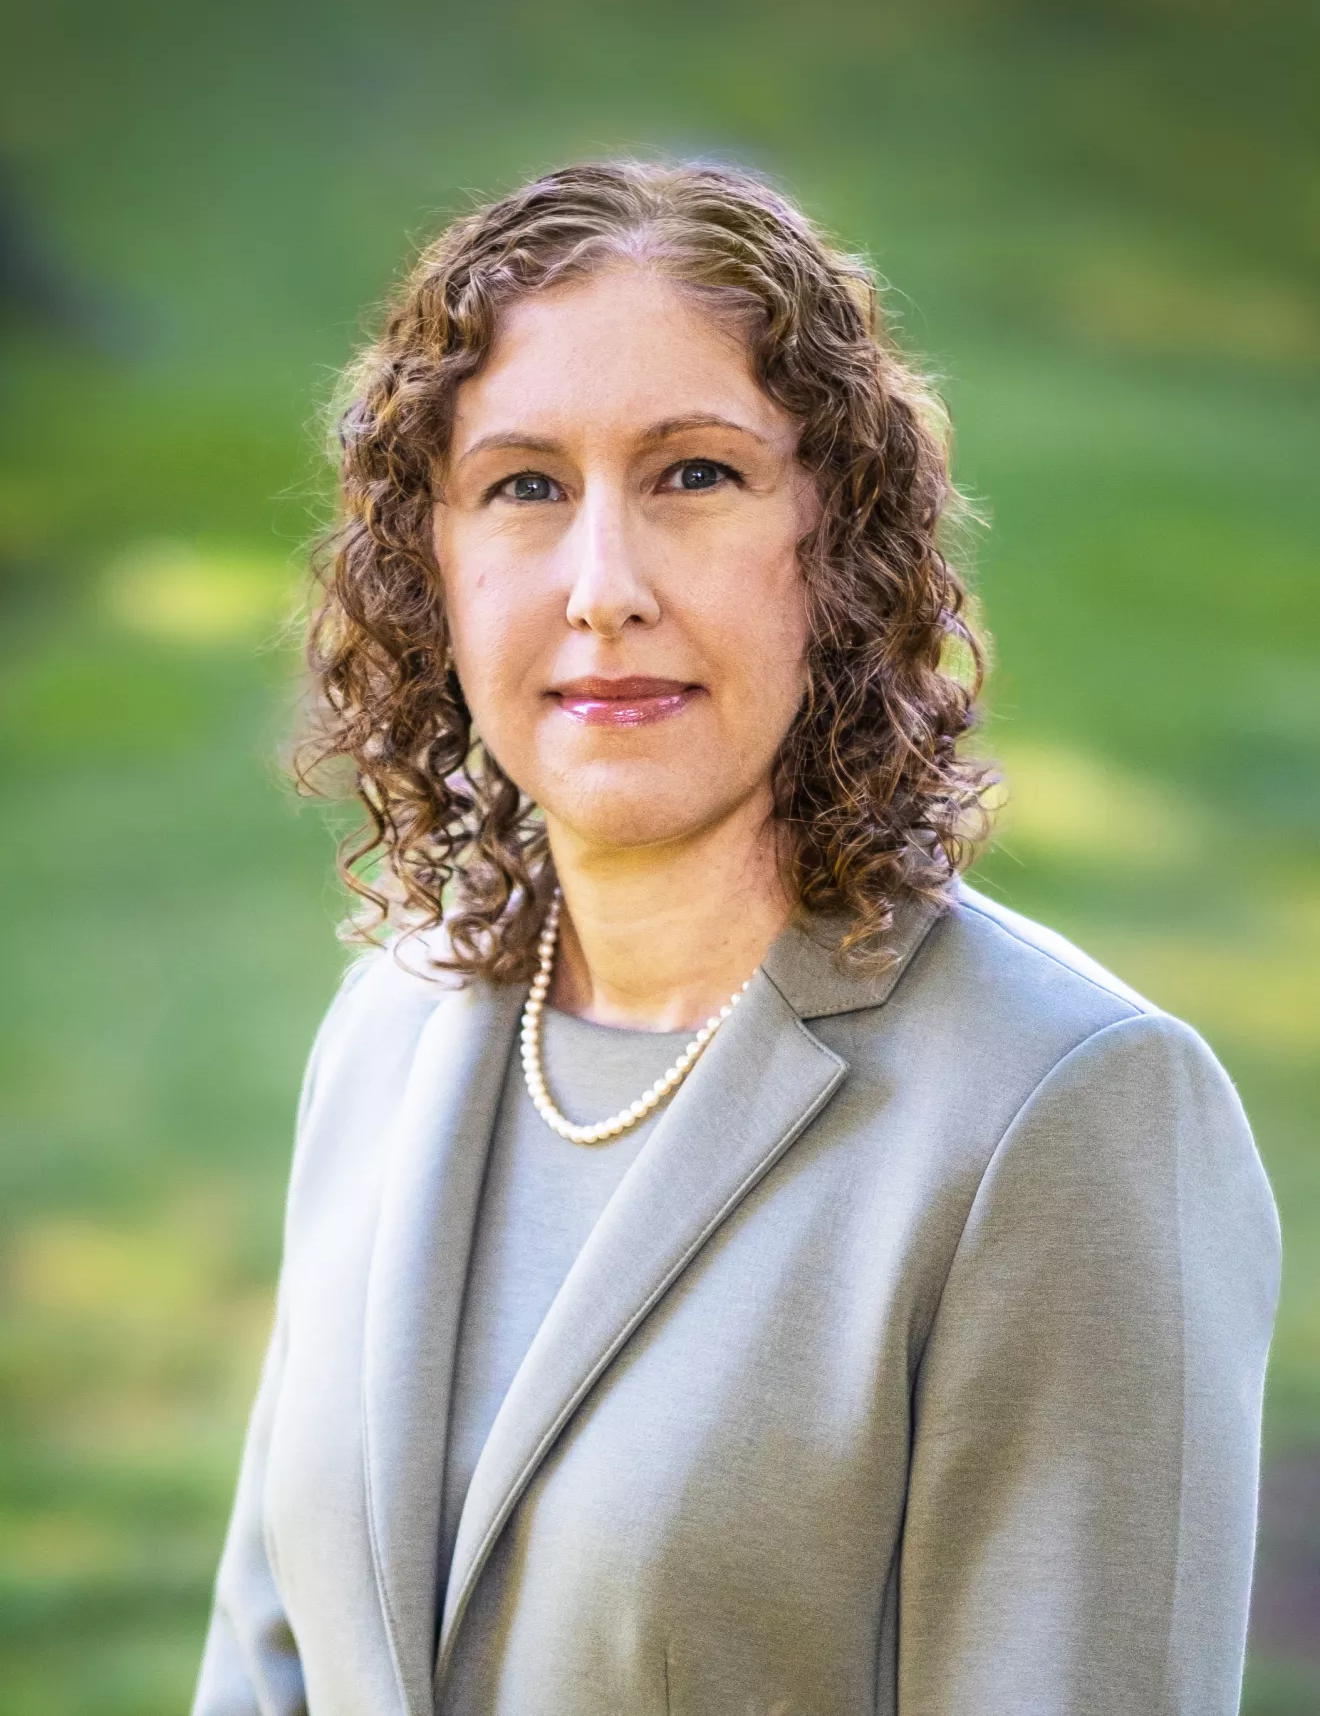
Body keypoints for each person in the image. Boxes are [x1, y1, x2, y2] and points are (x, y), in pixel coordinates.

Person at [191, 161, 1280, 1716]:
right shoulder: (389, 1029)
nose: (604, 588)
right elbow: (265, 1669)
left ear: (838, 544)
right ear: (429, 564)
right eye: (524, 485)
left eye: (695, 475)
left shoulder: (1069, 1113)